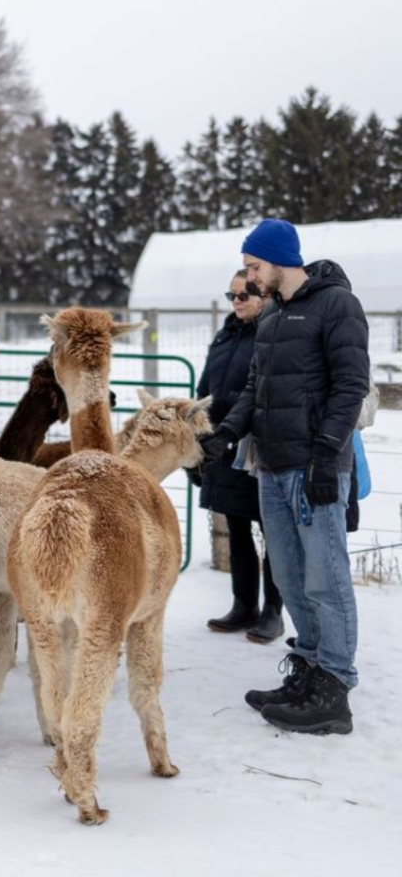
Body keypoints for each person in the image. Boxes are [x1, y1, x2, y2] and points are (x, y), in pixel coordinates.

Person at [200, 219, 369, 735]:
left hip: (314, 467)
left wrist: (325, 455)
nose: (249, 279)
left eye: (253, 267)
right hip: (270, 469)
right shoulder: (272, 318)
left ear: (279, 261)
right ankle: (308, 669)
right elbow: (255, 389)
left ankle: (334, 688)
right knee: (292, 579)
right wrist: (226, 433)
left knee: (326, 576)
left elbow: (351, 387)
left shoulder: (336, 305)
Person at [198, 269, 283, 643]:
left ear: (264, 295)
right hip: (224, 445)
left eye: (246, 293)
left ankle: (273, 612)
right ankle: (243, 604)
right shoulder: (226, 334)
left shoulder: (275, 331)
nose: (237, 301)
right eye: (232, 294)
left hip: (259, 448)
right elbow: (206, 387)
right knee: (235, 527)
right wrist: (199, 435)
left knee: (272, 532)